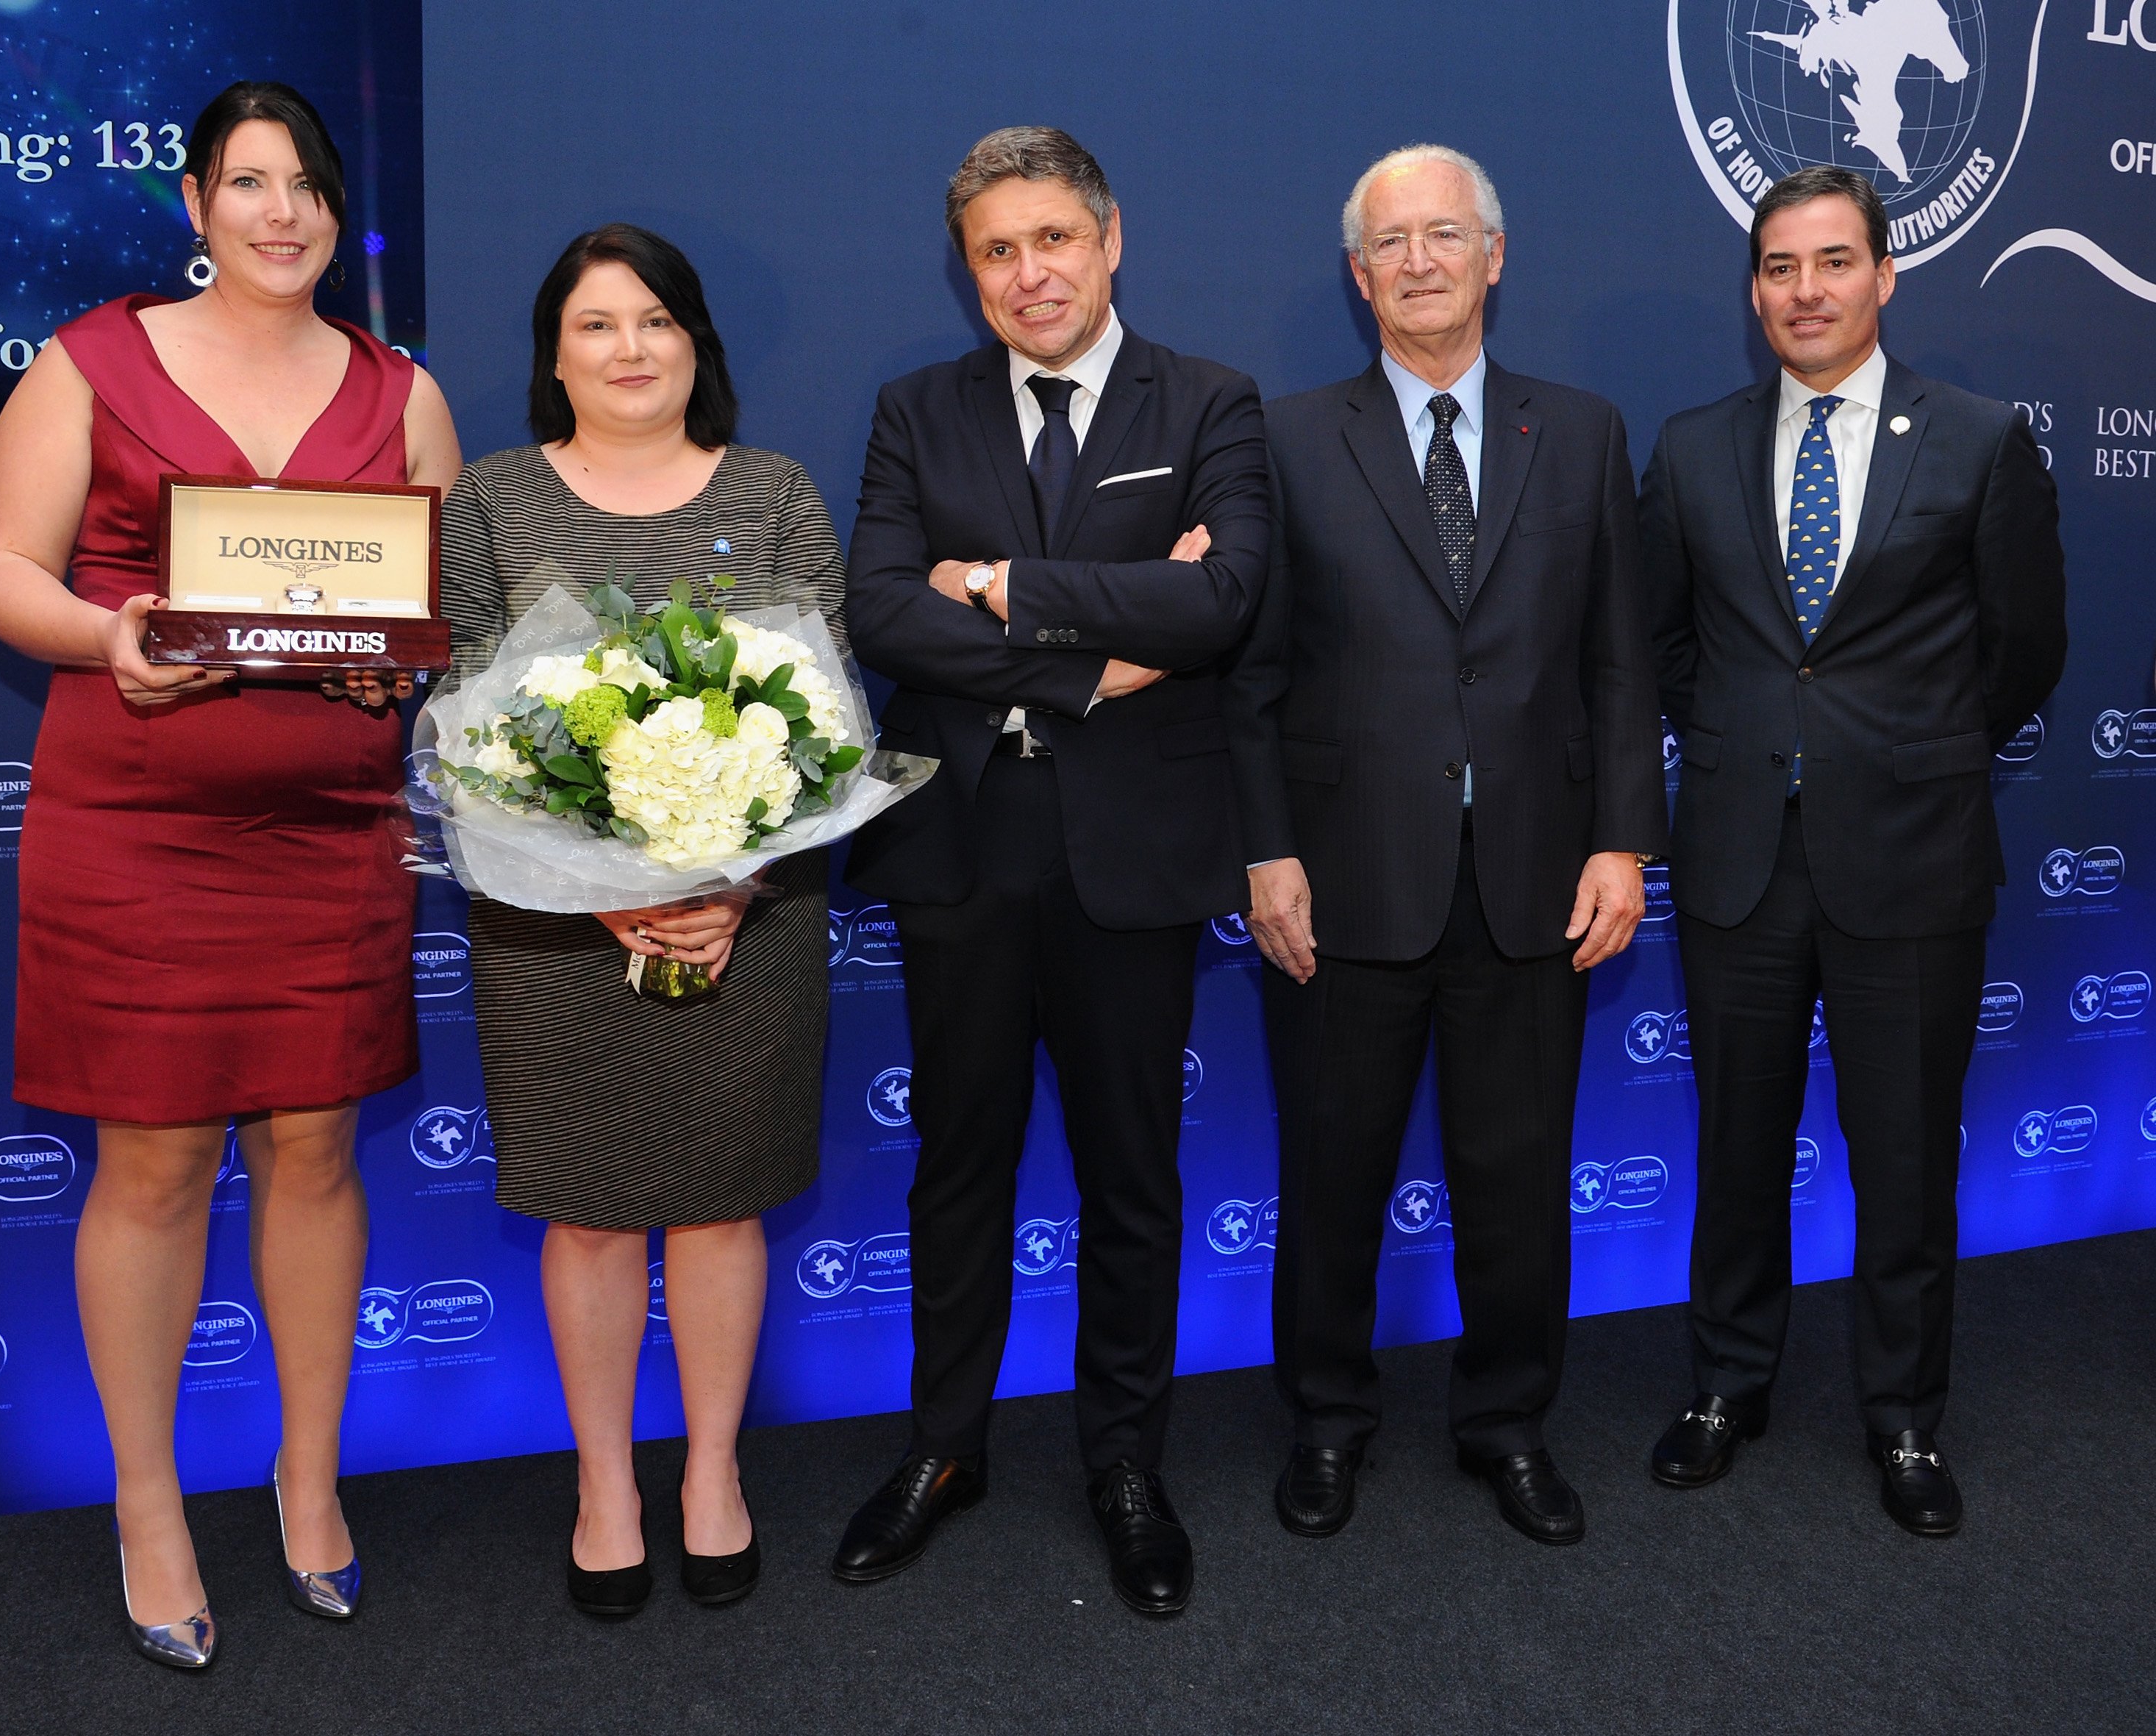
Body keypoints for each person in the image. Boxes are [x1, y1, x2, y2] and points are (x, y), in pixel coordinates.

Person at [0, 82, 460, 1668]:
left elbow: (417, 613)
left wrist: (397, 675)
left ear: (337, 212)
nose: (280, 212)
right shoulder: (90, 361)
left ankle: (308, 1483)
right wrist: (110, 636)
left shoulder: (404, 393)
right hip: (135, 832)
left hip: (329, 836)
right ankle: (147, 1501)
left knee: (315, 1145)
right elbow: (1, 572)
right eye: (248, 183)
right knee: (157, 1165)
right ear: (193, 203)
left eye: (307, 184)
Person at [835, 126, 1271, 1618]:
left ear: (1109, 239)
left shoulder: (1207, 398)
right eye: (995, 253)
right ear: (970, 275)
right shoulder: (916, 409)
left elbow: (1218, 598)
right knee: (956, 1166)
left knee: (1129, 1173)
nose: (1027, 275)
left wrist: (1008, 588)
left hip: (1130, 853)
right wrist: (1100, 659)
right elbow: (887, 611)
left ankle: (1124, 1462)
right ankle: (941, 1450)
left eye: (1050, 242)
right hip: (960, 841)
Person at [1231, 144, 1666, 1548]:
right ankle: (1326, 1422)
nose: (1419, 260)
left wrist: (1622, 843)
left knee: (1518, 1175)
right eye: (1390, 244)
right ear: (1358, 278)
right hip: (1343, 875)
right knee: (1333, 1168)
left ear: (1495, 255)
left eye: (1445, 234)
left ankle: (1508, 1424)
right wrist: (1266, 848)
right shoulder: (1285, 436)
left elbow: (1618, 660)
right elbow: (1253, 673)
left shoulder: (1584, 430)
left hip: (1537, 878)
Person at [1638, 165, 2065, 1536]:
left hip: (1914, 860)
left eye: (1830, 263)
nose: (1803, 291)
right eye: (1776, 267)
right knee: (1737, 1147)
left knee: (1903, 1157)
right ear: (1753, 287)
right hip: (1737, 859)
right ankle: (1727, 1386)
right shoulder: (1691, 446)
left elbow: (2022, 652)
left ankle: (1901, 1416)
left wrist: (1904, 756)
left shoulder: (1984, 440)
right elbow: (1664, 647)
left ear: (1885, 276)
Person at [438, 224, 846, 1619]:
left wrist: (733, 882)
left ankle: (712, 1474)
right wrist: (602, 885)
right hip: (556, 929)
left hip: (753, 917)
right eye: (598, 324)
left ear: (696, 344)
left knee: (722, 1208)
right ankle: (605, 1483)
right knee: (593, 1217)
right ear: (555, 352)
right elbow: (462, 730)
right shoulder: (490, 499)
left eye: (656, 320)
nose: (630, 348)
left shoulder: (778, 490)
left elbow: (828, 724)